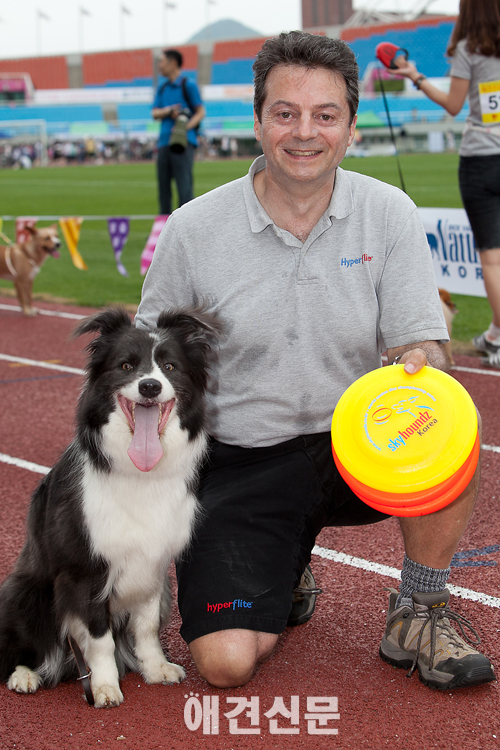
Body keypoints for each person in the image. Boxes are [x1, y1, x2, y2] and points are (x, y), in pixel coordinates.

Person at [136, 31, 495, 691]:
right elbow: (145, 352)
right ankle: (285, 560)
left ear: (351, 128)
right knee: (224, 664)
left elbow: (425, 341)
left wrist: (423, 357)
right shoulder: (193, 228)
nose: (305, 132)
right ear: (257, 122)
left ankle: (419, 609)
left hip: (357, 445)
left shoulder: (388, 213)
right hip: (243, 457)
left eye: (325, 115)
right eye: (286, 113)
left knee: (454, 425)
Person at [393, 0, 500, 368]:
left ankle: (499, 340)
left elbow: (454, 104)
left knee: (492, 258)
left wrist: (415, 76)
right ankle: (493, 336)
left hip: (482, 157)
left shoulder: (470, 48)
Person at [152, 48, 205, 215]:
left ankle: (186, 235)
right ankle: (163, 234)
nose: (159, 66)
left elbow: (201, 112)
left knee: (185, 189)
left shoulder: (187, 85)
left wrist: (185, 127)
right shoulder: (162, 88)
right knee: (163, 190)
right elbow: (154, 113)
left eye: (161, 61)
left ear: (173, 62)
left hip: (183, 143)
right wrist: (169, 111)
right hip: (164, 143)